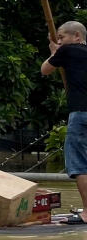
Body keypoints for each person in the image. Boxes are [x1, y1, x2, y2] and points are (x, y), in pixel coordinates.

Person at [42, 20, 87, 224]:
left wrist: (54, 51)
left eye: (62, 37)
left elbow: (45, 70)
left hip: (81, 113)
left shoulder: (67, 51)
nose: (59, 41)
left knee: (80, 165)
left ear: (77, 36)